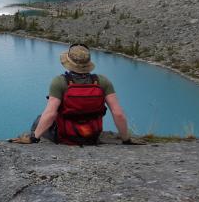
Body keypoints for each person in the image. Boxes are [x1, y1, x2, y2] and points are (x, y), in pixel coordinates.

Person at [9, 43, 144, 145]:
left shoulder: (60, 82)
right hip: (92, 135)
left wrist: (34, 138)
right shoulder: (102, 81)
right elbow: (118, 114)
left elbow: (50, 114)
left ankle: (34, 136)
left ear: (68, 62)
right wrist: (126, 140)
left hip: (66, 136)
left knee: (38, 120)